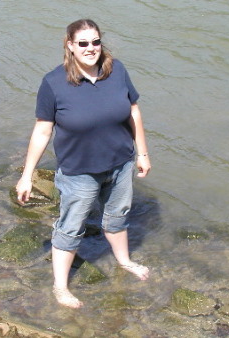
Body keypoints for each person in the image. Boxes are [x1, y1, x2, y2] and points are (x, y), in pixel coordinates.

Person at [16, 19, 151, 309]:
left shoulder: (117, 71)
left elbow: (133, 112)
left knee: (118, 215)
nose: (91, 48)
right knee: (71, 226)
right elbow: (42, 131)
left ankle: (124, 261)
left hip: (120, 163)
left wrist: (142, 153)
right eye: (83, 43)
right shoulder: (53, 82)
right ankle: (60, 287)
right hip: (79, 171)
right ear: (70, 46)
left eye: (95, 42)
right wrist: (27, 175)